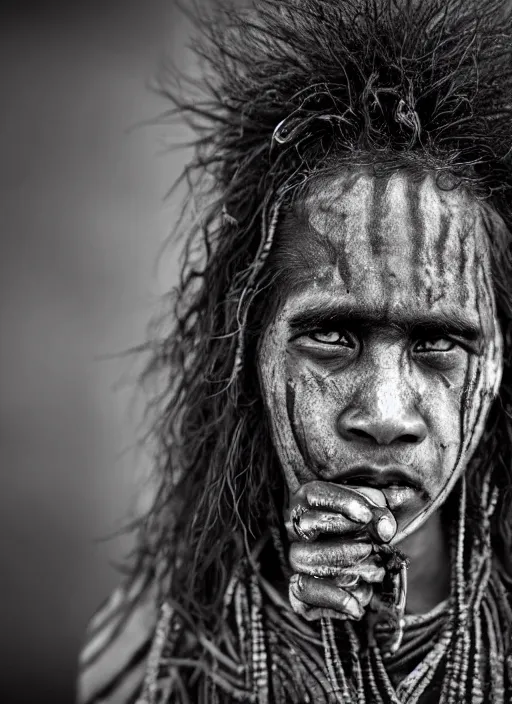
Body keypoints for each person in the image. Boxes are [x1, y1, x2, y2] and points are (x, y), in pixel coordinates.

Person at [77, 0, 512, 701]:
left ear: (499, 366)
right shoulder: (149, 657)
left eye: (437, 343)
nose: (385, 413)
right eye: (331, 337)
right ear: (249, 347)